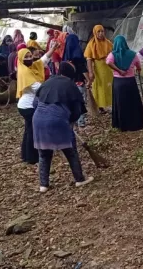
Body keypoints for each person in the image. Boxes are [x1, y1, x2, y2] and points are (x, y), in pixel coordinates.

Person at [33, 62, 94, 193]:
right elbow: (77, 111)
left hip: (38, 120)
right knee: (71, 151)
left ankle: (43, 185)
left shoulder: (47, 82)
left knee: (44, 154)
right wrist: (70, 122)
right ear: (72, 74)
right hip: (59, 120)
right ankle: (80, 179)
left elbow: (35, 103)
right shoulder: (70, 85)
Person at [17, 43, 58, 165]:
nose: (30, 58)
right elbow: (38, 88)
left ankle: (25, 155)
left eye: (30, 56)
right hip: (28, 106)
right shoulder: (24, 72)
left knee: (28, 130)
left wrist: (53, 49)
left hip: (28, 104)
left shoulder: (31, 67)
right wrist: (53, 88)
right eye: (27, 57)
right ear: (21, 59)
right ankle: (32, 157)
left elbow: (43, 61)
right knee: (32, 131)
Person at [106, 35, 143, 132]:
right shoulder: (132, 54)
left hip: (118, 82)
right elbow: (138, 65)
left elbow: (108, 63)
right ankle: (135, 123)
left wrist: (119, 70)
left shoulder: (112, 54)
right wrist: (138, 70)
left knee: (120, 103)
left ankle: (122, 124)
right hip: (130, 82)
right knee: (132, 102)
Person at [84, 25, 113, 113]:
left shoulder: (108, 43)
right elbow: (89, 59)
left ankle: (109, 104)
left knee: (109, 86)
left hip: (108, 68)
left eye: (102, 31)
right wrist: (91, 72)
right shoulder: (91, 44)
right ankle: (99, 106)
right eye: (98, 32)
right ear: (95, 33)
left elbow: (113, 55)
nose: (101, 33)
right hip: (98, 68)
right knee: (99, 87)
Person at [63, 29, 89, 128]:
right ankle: (81, 121)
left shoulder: (66, 57)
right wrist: (89, 80)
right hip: (79, 82)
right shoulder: (78, 56)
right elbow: (83, 69)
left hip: (68, 84)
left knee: (71, 102)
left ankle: (71, 120)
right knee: (80, 102)